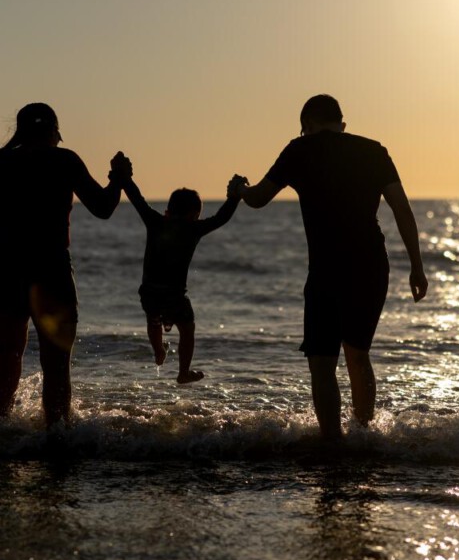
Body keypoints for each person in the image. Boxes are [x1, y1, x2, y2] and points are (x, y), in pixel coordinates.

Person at [235, 94, 427, 439]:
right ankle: (364, 435)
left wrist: (239, 189)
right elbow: (401, 208)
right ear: (341, 124)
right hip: (370, 265)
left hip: (326, 269)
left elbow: (259, 198)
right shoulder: (373, 150)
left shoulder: (298, 149)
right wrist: (417, 266)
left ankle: (332, 444)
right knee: (358, 355)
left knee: (322, 363)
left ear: (306, 125)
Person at [0, 102, 131, 427]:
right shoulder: (65, 160)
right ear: (54, 131)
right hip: (51, 267)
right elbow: (104, 208)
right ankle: (56, 433)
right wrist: (119, 179)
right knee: (56, 360)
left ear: (20, 131)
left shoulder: (1, 162)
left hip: (9, 265)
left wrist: (1, 199)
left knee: (9, 348)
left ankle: (2, 422)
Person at [119, 172, 248, 383]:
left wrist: (124, 178)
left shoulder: (155, 221)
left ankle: (158, 351)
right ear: (193, 214)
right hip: (174, 296)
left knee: (153, 319)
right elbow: (221, 218)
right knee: (187, 329)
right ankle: (183, 372)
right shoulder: (193, 228)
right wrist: (234, 197)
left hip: (149, 292)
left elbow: (137, 199)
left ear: (168, 210)